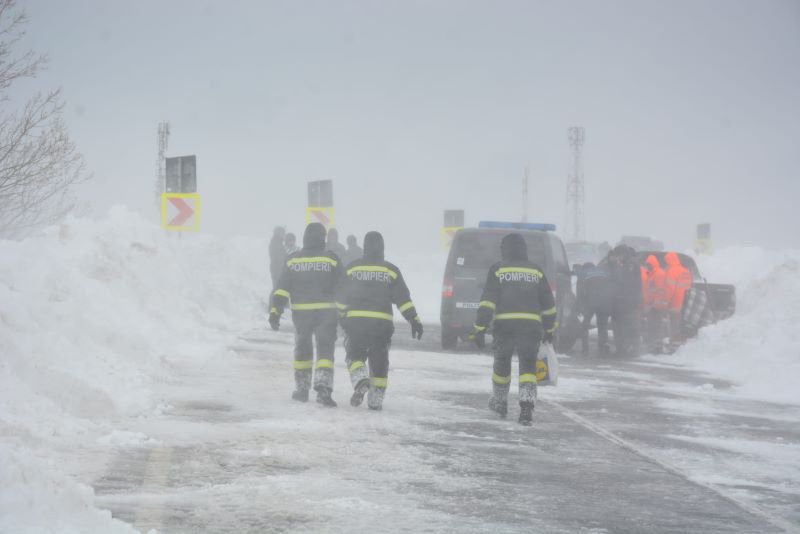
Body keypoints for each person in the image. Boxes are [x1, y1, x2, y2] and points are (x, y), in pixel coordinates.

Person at [468, 233, 556, 426]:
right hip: (531, 327)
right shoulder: (536, 271)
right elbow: (548, 303)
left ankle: (500, 401)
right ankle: (526, 408)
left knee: (502, 364)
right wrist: (550, 328)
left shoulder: (498, 270)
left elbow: (488, 301)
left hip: (504, 326)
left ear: (505, 249)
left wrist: (480, 328)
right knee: (528, 367)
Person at [337, 231, 423, 410]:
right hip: (381, 325)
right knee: (379, 361)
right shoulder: (391, 270)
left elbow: (341, 297)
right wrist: (414, 320)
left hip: (356, 323)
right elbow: (403, 299)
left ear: (365, 246)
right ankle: (376, 400)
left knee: (354, 355)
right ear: (382, 248)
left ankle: (360, 378)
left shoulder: (353, 268)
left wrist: (340, 315)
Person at [269, 223, 343, 407]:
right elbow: (343, 287)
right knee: (325, 350)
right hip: (326, 313)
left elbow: (281, 289)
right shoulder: (331, 259)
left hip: (301, 314)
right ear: (322, 238)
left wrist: (275, 311)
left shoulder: (293, 260)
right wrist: (345, 312)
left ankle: (302, 390)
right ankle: (324, 389)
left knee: (302, 348)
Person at [608, 245, 643, 357]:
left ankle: (632, 349)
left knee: (629, 326)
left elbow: (627, 283)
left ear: (623, 254)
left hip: (627, 302)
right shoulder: (627, 264)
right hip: (622, 302)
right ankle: (622, 348)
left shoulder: (630, 265)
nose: (618, 258)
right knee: (619, 326)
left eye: (618, 255)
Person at [576, 262, 613, 355]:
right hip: (604, 302)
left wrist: (580, 306)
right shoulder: (603, 272)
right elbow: (610, 287)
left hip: (591, 302)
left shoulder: (583, 274)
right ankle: (603, 346)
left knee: (585, 325)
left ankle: (585, 349)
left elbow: (580, 291)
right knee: (602, 325)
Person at [663, 251, 692, 350]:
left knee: (673, 323)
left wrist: (665, 301)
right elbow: (688, 286)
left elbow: (669, 289)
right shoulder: (685, 271)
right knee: (681, 322)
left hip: (675, 302)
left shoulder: (671, 271)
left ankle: (674, 344)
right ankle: (681, 342)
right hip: (685, 301)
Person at [643, 254, 669, 353]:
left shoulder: (658, 274)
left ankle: (657, 347)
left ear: (652, 264)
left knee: (656, 326)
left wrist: (655, 305)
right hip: (652, 305)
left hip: (657, 305)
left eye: (648, 264)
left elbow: (660, 291)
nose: (647, 266)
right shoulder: (652, 273)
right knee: (652, 326)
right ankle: (654, 346)